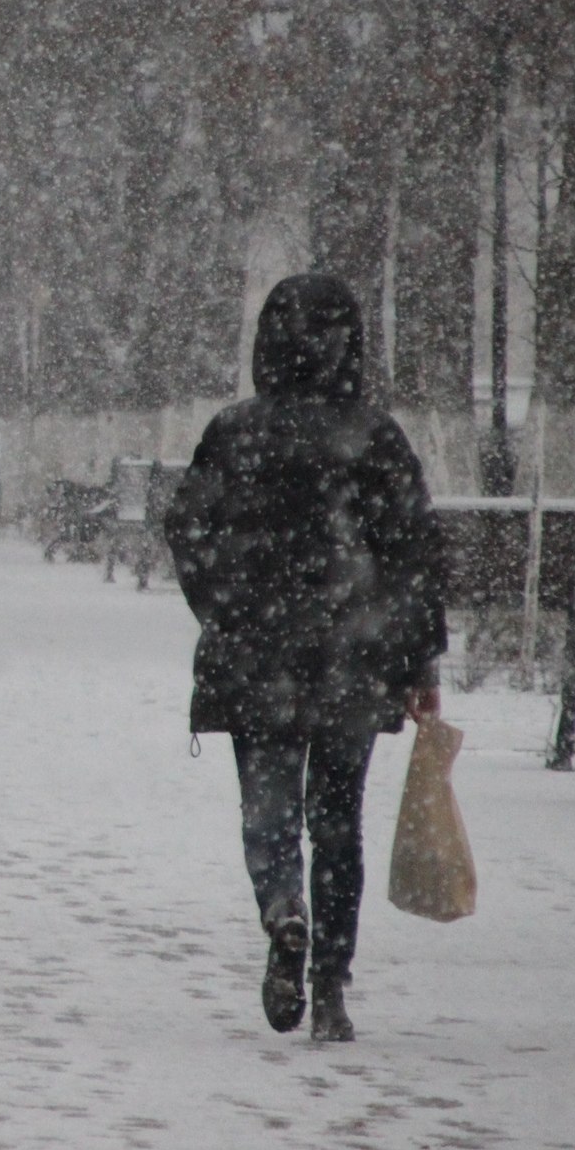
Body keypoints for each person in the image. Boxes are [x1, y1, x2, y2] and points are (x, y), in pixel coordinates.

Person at [162, 273, 447, 1043]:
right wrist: (418, 657)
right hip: (352, 658)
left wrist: (224, 611)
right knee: (338, 819)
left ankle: (282, 907)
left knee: (270, 810)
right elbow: (415, 553)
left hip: (259, 658)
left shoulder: (235, 431)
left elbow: (188, 527)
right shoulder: (374, 437)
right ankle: (330, 986)